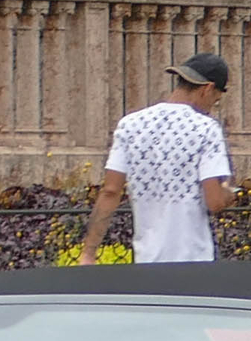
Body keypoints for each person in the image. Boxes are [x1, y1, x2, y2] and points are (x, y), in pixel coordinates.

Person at [77, 55, 237, 264]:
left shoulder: (130, 125)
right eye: (215, 101)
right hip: (193, 260)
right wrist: (229, 193)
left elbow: (110, 191)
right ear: (207, 89)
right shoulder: (206, 128)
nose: (211, 108)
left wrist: (89, 252)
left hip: (146, 259)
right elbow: (214, 202)